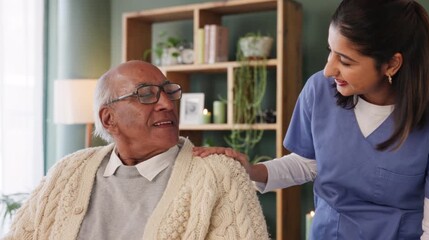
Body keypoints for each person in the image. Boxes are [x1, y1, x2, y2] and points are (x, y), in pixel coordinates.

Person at [194, 0, 429, 239]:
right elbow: (310, 163)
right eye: (330, 51)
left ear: (392, 65)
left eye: (345, 61)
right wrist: (251, 171)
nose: (329, 69)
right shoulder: (320, 89)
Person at [3, 60, 269, 240]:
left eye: (168, 91)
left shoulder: (219, 173)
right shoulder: (67, 170)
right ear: (109, 119)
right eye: (145, 94)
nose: (166, 103)